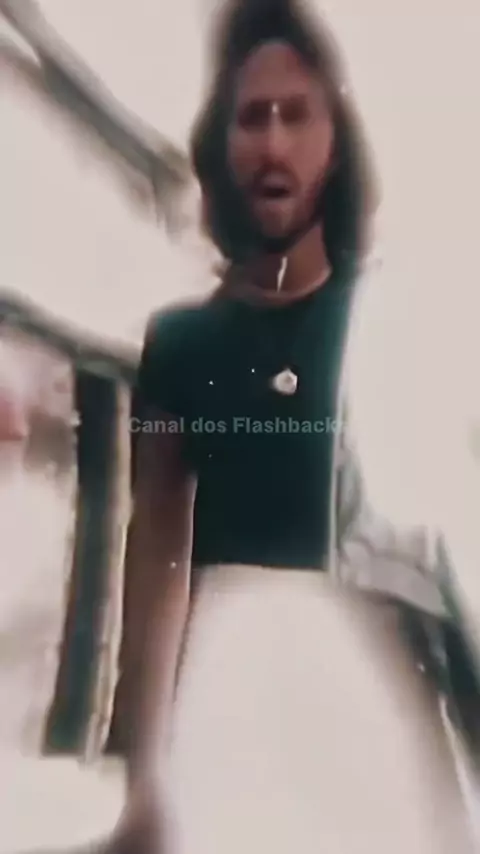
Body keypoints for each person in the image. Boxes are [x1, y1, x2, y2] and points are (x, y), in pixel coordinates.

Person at [105, 0, 480, 851]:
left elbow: (442, 550)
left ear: (335, 142)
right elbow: (156, 557)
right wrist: (144, 778)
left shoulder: (387, 327)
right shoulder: (180, 344)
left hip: (381, 712)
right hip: (232, 709)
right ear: (221, 143)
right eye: (251, 118)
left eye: (297, 115)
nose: (274, 143)